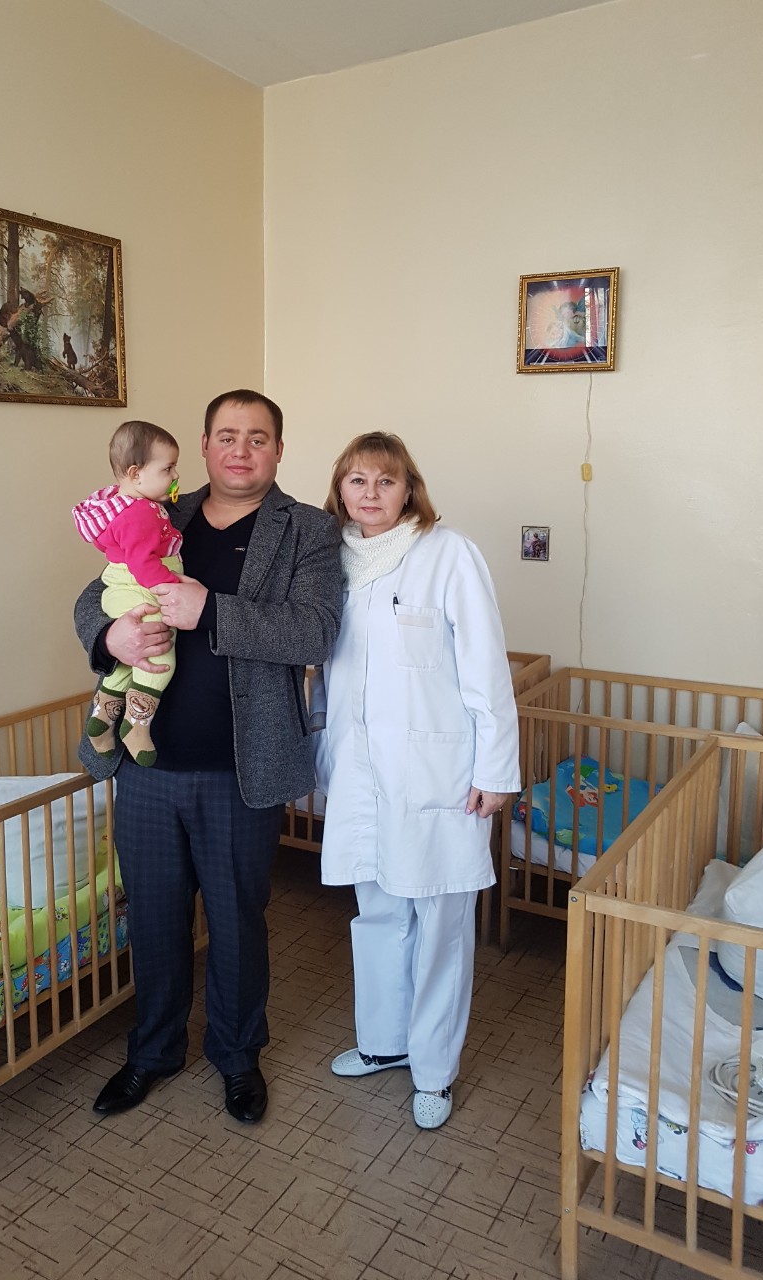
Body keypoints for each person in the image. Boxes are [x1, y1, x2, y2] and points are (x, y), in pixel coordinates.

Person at [74, 389, 342, 1125]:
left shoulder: (308, 530)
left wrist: (211, 611)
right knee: (154, 920)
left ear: (278, 450)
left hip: (238, 770)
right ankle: (153, 1051)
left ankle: (237, 1054)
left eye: (257, 438)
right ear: (203, 446)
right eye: (227, 436)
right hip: (147, 768)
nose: (241, 450)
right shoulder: (161, 508)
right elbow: (94, 596)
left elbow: (315, 631)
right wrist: (109, 637)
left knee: (236, 923)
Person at [311, 432, 519, 1130]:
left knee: (440, 926)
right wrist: (320, 751)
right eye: (357, 480)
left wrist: (496, 768)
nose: (370, 493)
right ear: (340, 489)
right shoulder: (332, 562)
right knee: (376, 912)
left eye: (386, 481)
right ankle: (383, 1043)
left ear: (409, 490)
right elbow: (327, 670)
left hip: (441, 775)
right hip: (361, 771)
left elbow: (486, 666)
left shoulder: (448, 553)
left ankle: (433, 1070)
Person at [72, 421, 182, 766]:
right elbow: (143, 565)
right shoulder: (140, 514)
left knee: (128, 664)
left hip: (125, 589)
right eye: (168, 469)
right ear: (136, 474)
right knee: (159, 659)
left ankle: (102, 718)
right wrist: (177, 589)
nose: (176, 475)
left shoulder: (125, 506)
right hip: (139, 592)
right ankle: (136, 725)